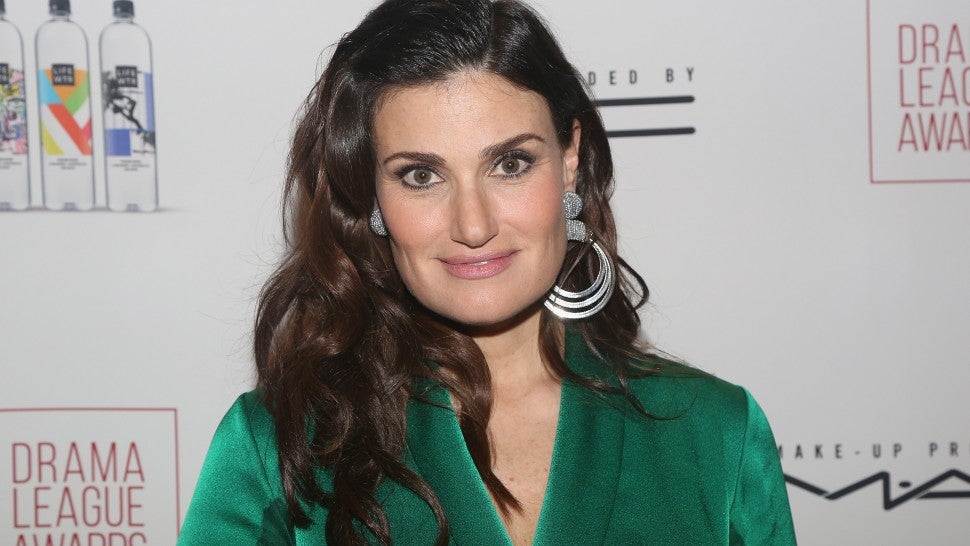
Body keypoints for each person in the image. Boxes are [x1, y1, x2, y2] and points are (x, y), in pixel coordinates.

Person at [178, 0, 796, 544]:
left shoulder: (716, 436)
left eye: (510, 164)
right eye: (421, 175)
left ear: (570, 158)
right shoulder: (277, 446)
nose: (473, 225)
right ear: (371, 194)